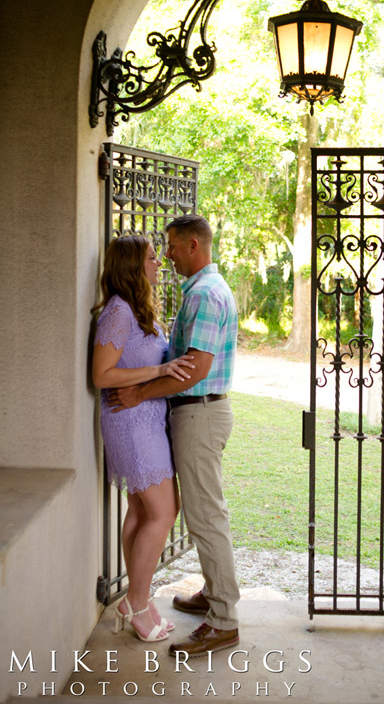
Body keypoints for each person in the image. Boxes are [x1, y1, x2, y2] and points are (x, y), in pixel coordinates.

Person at [108, 214, 240, 658]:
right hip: (192, 414)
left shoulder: (204, 294)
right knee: (200, 512)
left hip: (199, 415)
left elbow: (194, 370)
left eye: (170, 247)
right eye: (158, 251)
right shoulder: (200, 291)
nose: (165, 256)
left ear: (193, 247)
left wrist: (140, 391)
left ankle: (223, 620)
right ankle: (213, 593)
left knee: (204, 516)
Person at [92, 234, 194, 643]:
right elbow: (102, 375)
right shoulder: (117, 311)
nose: (159, 263)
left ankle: (139, 599)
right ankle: (136, 601)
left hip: (145, 420)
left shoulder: (137, 309)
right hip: (129, 422)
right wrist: (156, 373)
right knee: (164, 511)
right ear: (134, 266)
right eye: (153, 258)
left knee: (141, 511)